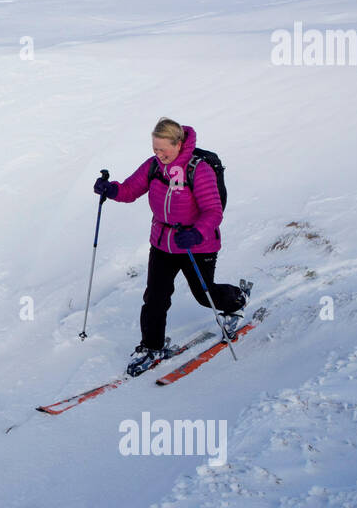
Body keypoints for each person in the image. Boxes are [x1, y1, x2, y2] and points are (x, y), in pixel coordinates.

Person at [93, 117, 251, 376]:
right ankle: (151, 347)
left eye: (163, 149)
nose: (158, 154)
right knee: (155, 298)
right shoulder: (154, 166)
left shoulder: (198, 170)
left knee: (204, 295)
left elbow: (213, 211)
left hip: (195, 245)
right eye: (155, 149)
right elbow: (131, 189)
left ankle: (237, 300)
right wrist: (110, 190)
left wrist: (196, 233)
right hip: (163, 243)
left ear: (178, 144)